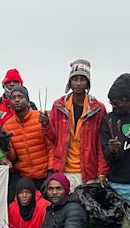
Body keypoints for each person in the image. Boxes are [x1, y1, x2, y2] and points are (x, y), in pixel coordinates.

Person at [40, 59, 108, 189]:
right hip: (63, 170)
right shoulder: (58, 106)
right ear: (69, 82)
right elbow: (53, 138)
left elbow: (101, 143)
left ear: (88, 82)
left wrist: (102, 171)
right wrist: (46, 124)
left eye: (82, 79)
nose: (78, 83)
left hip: (88, 173)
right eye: (75, 79)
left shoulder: (98, 109)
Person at [3, 85, 50, 196]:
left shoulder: (40, 118)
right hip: (25, 177)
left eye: (20, 97)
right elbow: (12, 157)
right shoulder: (8, 126)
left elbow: (51, 145)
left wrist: (51, 170)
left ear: (28, 101)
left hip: (45, 174)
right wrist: (5, 148)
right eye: (13, 98)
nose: (17, 100)